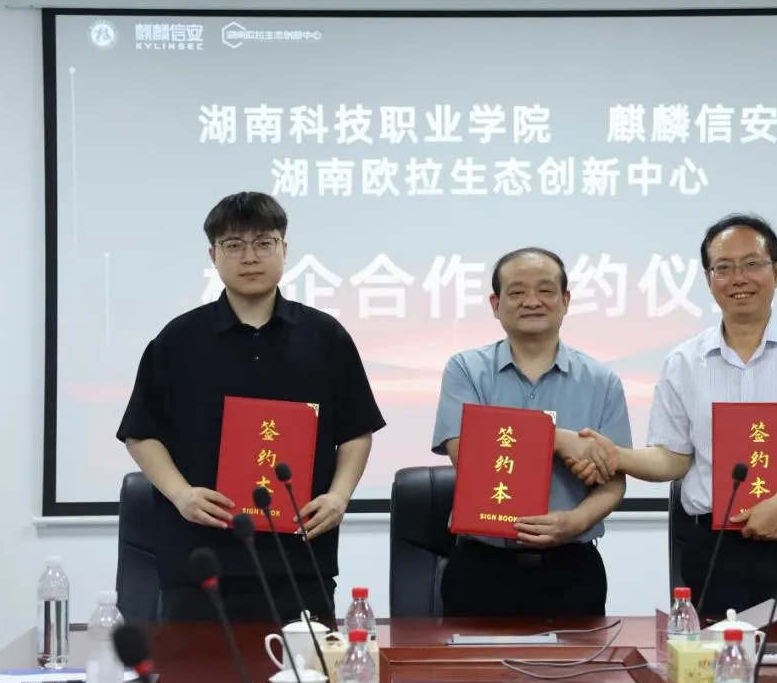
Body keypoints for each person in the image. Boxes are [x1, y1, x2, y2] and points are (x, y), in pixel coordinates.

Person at [569, 214, 777, 618]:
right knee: (714, 658)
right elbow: (673, 458)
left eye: (752, 264)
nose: (738, 278)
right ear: (709, 278)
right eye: (724, 268)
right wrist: (618, 456)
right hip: (717, 552)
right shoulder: (684, 362)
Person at [117, 191, 386, 623]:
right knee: (197, 668)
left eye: (263, 243)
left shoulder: (325, 337)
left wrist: (339, 497)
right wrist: (181, 494)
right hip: (199, 558)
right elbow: (141, 432)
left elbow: (356, 431)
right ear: (213, 255)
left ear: (284, 249)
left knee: (306, 667)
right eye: (233, 245)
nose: (250, 257)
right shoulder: (178, 340)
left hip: (300, 559)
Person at [430, 246, 631, 618]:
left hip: (572, 569)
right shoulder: (466, 370)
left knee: (580, 660)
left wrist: (576, 521)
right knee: (472, 660)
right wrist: (559, 438)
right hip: (481, 568)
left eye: (545, 290)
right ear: (496, 304)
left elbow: (614, 481)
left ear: (565, 300)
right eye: (518, 292)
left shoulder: (602, 381)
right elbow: (465, 452)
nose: (532, 301)